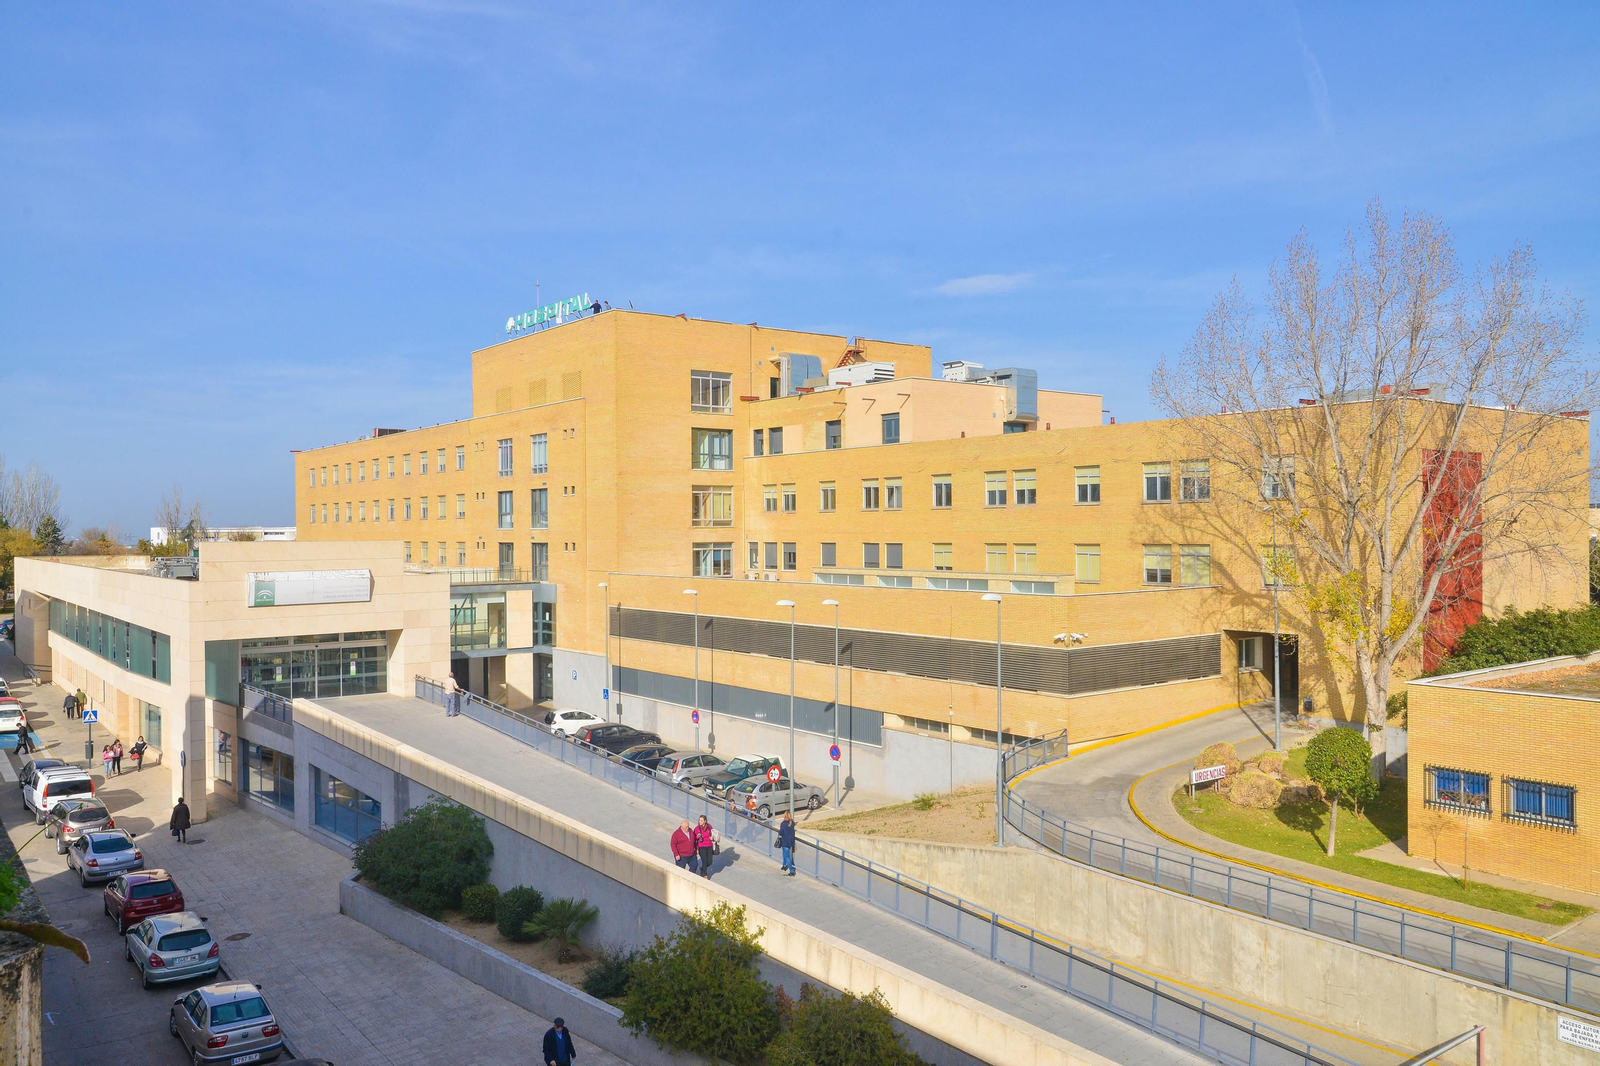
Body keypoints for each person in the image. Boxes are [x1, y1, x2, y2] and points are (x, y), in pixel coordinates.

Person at [692, 815, 716, 879]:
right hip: (701, 846)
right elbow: (694, 838)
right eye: (699, 820)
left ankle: (703, 868)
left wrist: (712, 837)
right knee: (704, 861)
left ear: (705, 821)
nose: (700, 822)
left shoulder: (709, 826)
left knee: (710, 861)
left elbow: (713, 834)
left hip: (709, 846)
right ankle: (704, 874)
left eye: (702, 820)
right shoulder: (697, 828)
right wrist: (697, 837)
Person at [777, 811, 797, 876]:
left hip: (785, 841)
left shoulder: (783, 824)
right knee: (786, 854)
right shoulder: (792, 823)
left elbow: (780, 832)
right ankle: (784, 865)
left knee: (786, 856)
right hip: (791, 841)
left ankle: (791, 870)